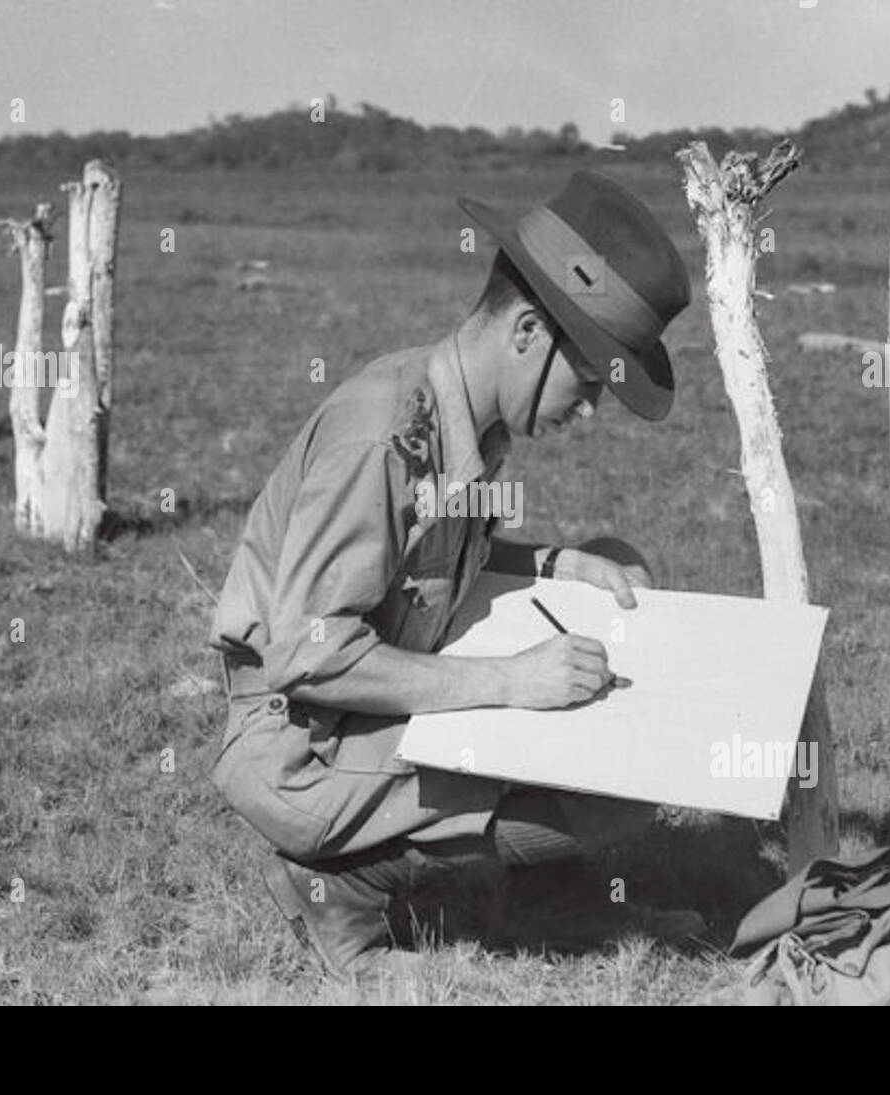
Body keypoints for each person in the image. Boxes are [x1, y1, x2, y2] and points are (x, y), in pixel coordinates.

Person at [209, 170, 697, 980]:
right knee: (618, 790)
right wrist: (509, 682)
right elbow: (310, 653)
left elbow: (422, 561)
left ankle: (550, 898)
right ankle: (337, 881)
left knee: (615, 575)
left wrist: (553, 562)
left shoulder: (467, 415)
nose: (593, 408)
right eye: (594, 378)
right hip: (301, 741)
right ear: (530, 332)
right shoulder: (385, 435)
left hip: (358, 698)